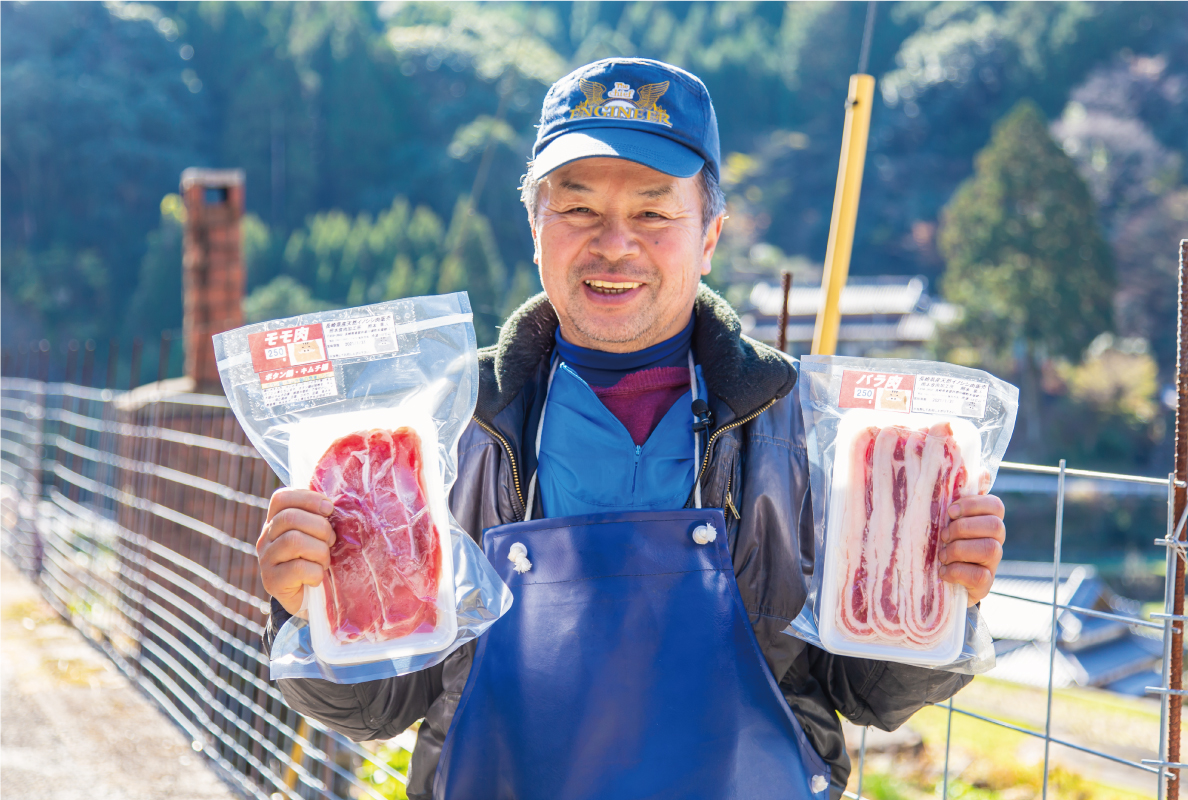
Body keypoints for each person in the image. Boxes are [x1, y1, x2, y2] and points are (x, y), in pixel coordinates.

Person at [256, 58, 1006, 800]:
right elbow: (379, 706)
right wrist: (307, 609)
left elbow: (872, 693)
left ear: (709, 234)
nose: (614, 244)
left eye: (653, 212)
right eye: (578, 208)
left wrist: (948, 599)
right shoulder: (449, 430)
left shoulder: (796, 424)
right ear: (535, 226)